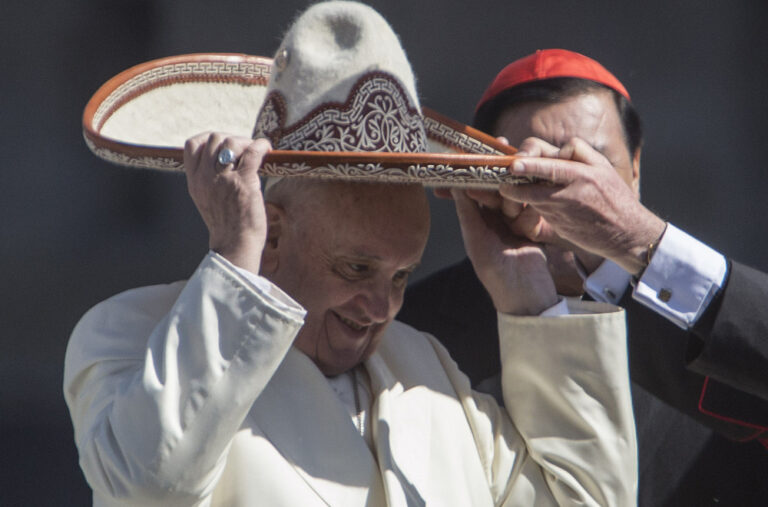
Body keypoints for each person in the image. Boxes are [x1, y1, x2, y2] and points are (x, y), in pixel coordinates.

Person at [64, 5, 637, 506]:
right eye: (357, 268)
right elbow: (148, 485)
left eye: (403, 275)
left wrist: (528, 300)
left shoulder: (431, 374)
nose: (382, 306)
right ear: (271, 236)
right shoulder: (130, 336)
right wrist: (232, 268)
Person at [399, 49, 768, 505]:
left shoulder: (705, 310)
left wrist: (638, 238)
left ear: (635, 171)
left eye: (591, 166)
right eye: (530, 171)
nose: (560, 194)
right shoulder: (415, 329)